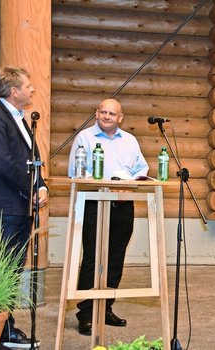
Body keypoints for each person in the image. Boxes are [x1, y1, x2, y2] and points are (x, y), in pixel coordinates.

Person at [0, 66, 47, 349]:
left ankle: (5, 328)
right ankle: (0, 331)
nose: (31, 90)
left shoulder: (20, 118)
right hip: (6, 205)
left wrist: (41, 186)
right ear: (14, 90)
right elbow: (3, 164)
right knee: (1, 269)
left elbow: (31, 160)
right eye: (28, 86)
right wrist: (29, 190)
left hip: (21, 204)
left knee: (14, 267)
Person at [68, 98, 149, 336]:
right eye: (103, 112)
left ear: (120, 118)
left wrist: (132, 182)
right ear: (96, 113)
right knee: (93, 259)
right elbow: (75, 170)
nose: (106, 116)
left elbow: (141, 168)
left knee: (115, 259)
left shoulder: (130, 141)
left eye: (111, 113)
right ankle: (86, 314)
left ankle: (106, 308)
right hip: (95, 204)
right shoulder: (85, 138)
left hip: (123, 205)